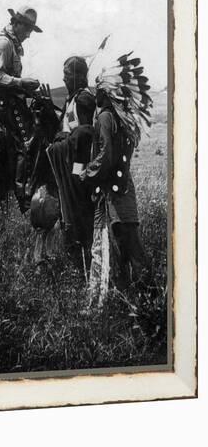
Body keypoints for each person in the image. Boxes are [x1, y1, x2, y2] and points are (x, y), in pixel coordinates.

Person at [79, 55, 152, 307]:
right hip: (123, 188)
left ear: (106, 94)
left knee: (127, 244)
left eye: (98, 91)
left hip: (112, 192)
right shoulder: (121, 118)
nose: (95, 95)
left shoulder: (105, 118)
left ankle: (145, 297)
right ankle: (134, 298)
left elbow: (106, 155)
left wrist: (88, 172)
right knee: (125, 243)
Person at [0, 6, 42, 212]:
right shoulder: (3, 43)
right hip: (5, 102)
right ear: (16, 24)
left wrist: (26, 90)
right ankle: (22, 194)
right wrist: (22, 82)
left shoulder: (11, 43)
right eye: (26, 28)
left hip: (11, 99)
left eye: (30, 29)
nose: (28, 34)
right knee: (26, 142)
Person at [46, 56, 96, 275]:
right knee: (69, 209)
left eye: (67, 74)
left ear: (78, 76)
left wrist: (63, 141)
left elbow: (85, 135)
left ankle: (83, 261)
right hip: (69, 162)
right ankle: (75, 259)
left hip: (78, 165)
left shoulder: (84, 99)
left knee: (78, 209)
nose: (64, 78)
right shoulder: (73, 98)